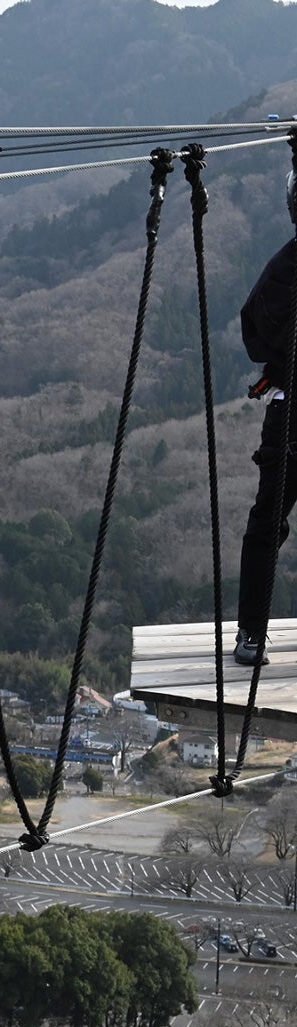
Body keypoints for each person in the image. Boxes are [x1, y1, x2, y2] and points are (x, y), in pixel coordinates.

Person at [236, 171, 297, 666]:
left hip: (289, 410)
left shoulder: (281, 269)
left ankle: (251, 635)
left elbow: (253, 331)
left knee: (267, 522)